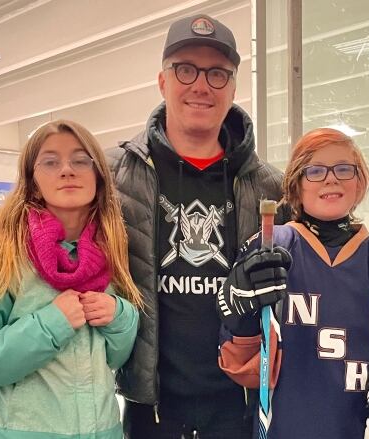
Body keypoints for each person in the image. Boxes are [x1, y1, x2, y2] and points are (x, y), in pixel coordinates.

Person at [108, 14, 285, 439]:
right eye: (185, 69)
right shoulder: (114, 177)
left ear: (234, 88)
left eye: (217, 74)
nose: (201, 85)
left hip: (240, 411)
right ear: (162, 81)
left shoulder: (270, 187)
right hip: (151, 412)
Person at [216, 128, 369, 439]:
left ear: (359, 181)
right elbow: (239, 361)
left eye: (343, 169)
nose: (331, 179)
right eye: (315, 170)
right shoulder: (273, 246)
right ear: (297, 185)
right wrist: (237, 308)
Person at [0, 120, 142, 439]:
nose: (67, 170)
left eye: (81, 160)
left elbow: (115, 359)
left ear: (99, 177)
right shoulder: (5, 253)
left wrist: (119, 316)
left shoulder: (112, 251)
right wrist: (50, 324)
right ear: (33, 182)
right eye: (50, 162)